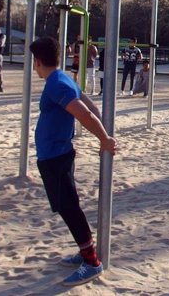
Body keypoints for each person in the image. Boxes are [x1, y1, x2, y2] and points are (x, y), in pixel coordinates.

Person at [29, 36, 117, 287]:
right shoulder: (63, 78)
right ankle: (85, 249)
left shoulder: (57, 84)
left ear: (37, 62)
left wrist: (104, 138)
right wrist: (103, 133)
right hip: (54, 155)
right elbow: (92, 110)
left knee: (68, 207)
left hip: (56, 156)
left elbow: (86, 114)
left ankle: (91, 261)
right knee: (67, 205)